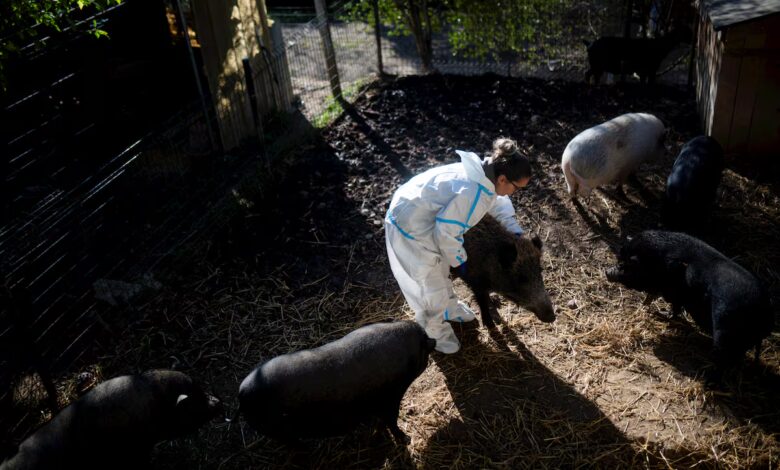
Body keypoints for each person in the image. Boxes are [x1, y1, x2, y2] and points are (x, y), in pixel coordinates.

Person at [385, 137, 532, 354]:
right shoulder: (473, 194)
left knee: (441, 269)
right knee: (430, 281)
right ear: (503, 179)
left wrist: (516, 232)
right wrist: (461, 262)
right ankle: (436, 334)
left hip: (419, 211)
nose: (515, 193)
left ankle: (450, 309)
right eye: (517, 188)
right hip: (410, 226)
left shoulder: (485, 173)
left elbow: (499, 203)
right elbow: (446, 234)